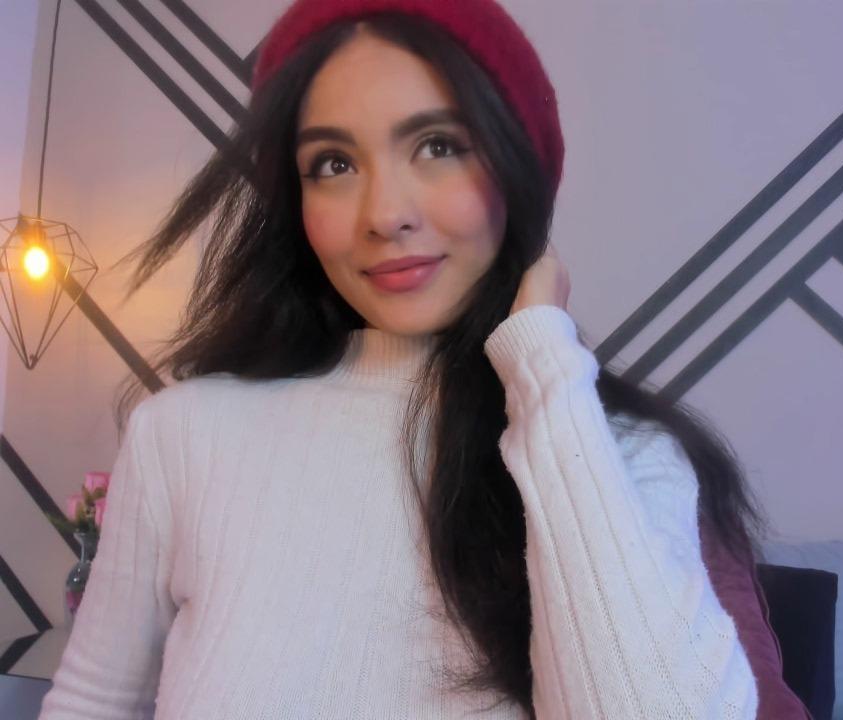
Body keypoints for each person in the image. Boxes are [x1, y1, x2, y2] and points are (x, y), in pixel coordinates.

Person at [39, 0, 770, 717]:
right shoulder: (182, 434)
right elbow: (90, 702)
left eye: (439, 146)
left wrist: (545, 364)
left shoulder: (621, 455)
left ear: (515, 167)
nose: (385, 214)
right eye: (333, 164)